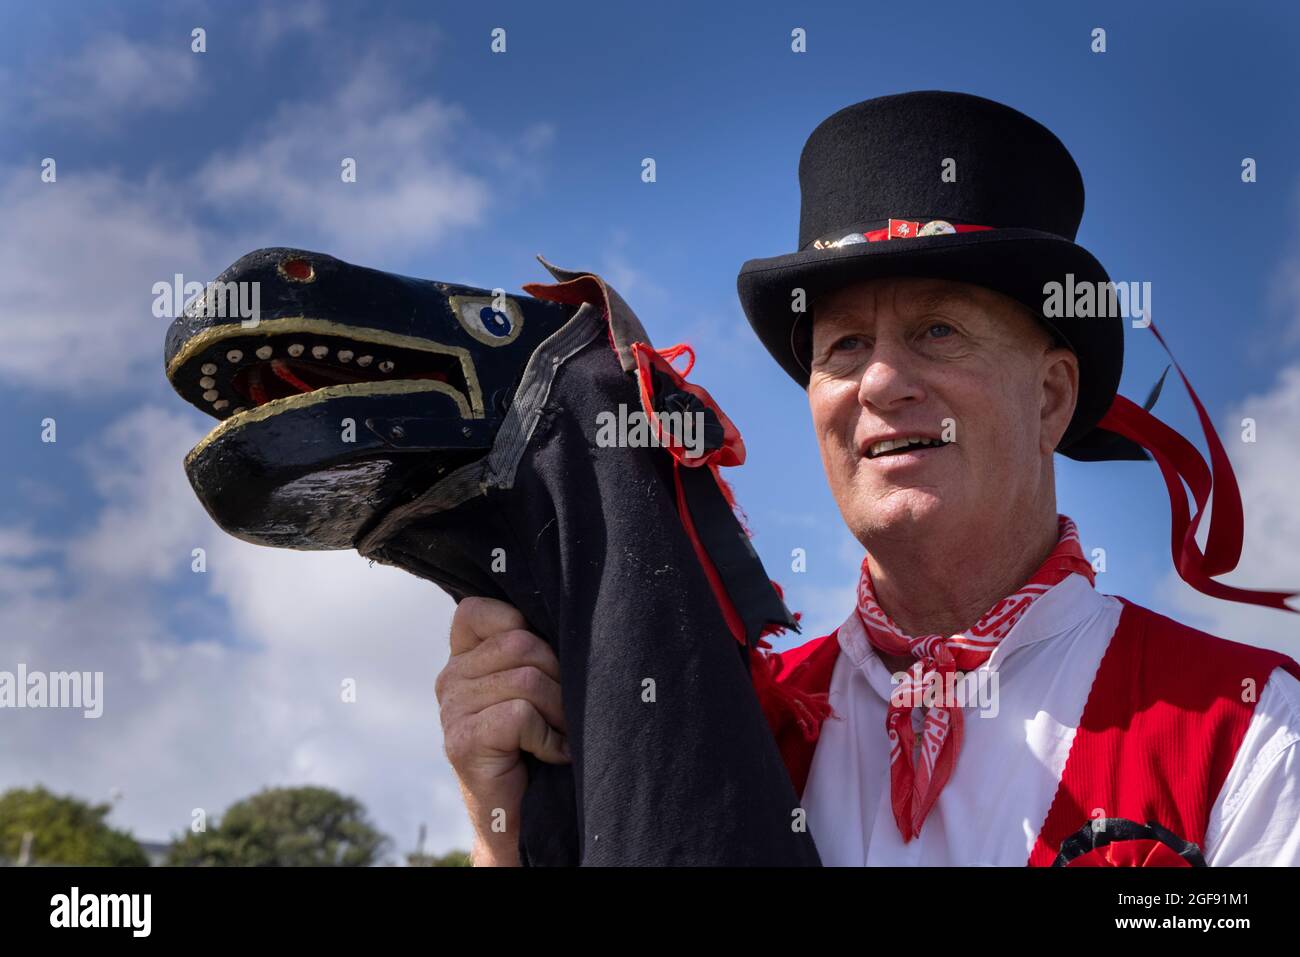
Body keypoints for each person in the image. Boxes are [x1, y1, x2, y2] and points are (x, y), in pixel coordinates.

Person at [437, 91, 1300, 866]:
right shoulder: (732, 731)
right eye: (845, 345)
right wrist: (500, 821)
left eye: (937, 331)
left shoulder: (1252, 727)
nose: (881, 383)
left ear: (1051, 396)